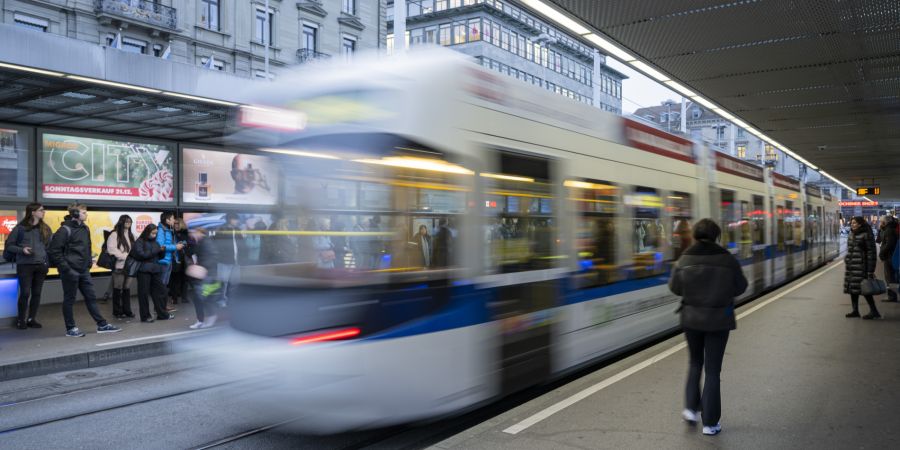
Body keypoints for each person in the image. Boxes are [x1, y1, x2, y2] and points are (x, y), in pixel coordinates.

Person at [668, 218, 747, 436]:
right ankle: (710, 424)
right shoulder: (727, 258)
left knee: (695, 363)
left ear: (694, 235)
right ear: (716, 235)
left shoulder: (684, 259)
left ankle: (690, 410)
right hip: (719, 320)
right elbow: (741, 286)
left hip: (691, 319)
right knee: (713, 371)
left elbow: (675, 287)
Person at [48, 202, 121, 337]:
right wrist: (67, 269)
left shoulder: (85, 229)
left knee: (91, 297)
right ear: (75, 213)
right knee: (69, 299)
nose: (86, 214)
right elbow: (54, 251)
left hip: (83, 270)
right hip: (70, 271)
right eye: (83, 212)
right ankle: (71, 328)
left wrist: (88, 264)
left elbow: (87, 248)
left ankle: (102, 325)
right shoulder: (64, 230)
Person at [6, 203, 51, 329]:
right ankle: (21, 320)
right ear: (33, 212)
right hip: (25, 265)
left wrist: (46, 261)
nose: (44, 212)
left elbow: (49, 247)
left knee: (37, 293)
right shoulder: (20, 228)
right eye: (41, 210)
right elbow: (9, 245)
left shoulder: (46, 228)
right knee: (25, 293)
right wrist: (22, 250)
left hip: (41, 266)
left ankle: (32, 319)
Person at [132, 224, 174, 322]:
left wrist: (162, 250)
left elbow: (159, 256)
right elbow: (142, 255)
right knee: (144, 294)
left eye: (156, 233)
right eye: (153, 233)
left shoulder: (156, 242)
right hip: (143, 270)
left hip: (155, 269)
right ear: (147, 232)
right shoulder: (139, 241)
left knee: (162, 290)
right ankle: (145, 316)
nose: (154, 235)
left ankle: (162, 314)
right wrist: (157, 250)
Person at [844, 216, 881, 319]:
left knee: (866, 290)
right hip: (852, 267)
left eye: (855, 223)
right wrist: (847, 259)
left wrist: (870, 271)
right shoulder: (851, 234)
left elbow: (871, 254)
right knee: (853, 290)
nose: (852, 224)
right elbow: (851, 250)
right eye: (851, 223)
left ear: (860, 224)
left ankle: (874, 312)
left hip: (862, 267)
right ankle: (855, 311)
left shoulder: (866, 235)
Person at [186, 227, 221, 329]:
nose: (191, 234)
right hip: (205, 274)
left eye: (193, 232)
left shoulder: (206, 242)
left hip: (207, 274)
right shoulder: (201, 242)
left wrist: (201, 267)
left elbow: (212, 257)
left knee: (201, 297)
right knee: (202, 298)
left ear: (200, 232)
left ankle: (206, 318)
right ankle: (205, 318)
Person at [106, 214, 136, 319]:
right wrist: (126, 257)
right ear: (121, 222)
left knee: (126, 289)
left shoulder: (132, 235)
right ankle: (117, 311)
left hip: (130, 266)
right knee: (118, 289)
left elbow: (135, 249)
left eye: (130, 221)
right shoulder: (114, 234)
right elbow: (111, 249)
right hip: (119, 266)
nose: (128, 223)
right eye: (126, 221)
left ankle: (127, 311)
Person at [155, 212, 184, 312]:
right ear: (167, 220)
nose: (174, 220)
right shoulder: (161, 230)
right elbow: (160, 246)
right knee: (161, 285)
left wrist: (177, 245)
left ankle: (163, 306)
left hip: (168, 260)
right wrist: (175, 247)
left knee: (164, 285)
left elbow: (168, 244)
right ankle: (160, 307)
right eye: (172, 218)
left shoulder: (168, 230)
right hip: (163, 261)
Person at [168, 217, 190, 305]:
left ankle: (184, 297)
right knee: (175, 279)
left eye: (178, 223)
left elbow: (188, 244)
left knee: (185, 279)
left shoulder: (186, 233)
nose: (176, 225)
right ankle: (174, 298)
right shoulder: (171, 233)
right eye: (175, 224)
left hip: (184, 258)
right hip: (175, 258)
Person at [878, 215, 898, 302]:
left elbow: (889, 244)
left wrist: (882, 253)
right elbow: (879, 240)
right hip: (891, 256)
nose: (880, 223)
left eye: (881, 222)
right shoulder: (888, 229)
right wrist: (881, 229)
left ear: (884, 222)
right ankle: (892, 295)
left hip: (890, 256)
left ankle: (892, 296)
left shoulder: (889, 231)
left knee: (890, 278)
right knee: (891, 277)